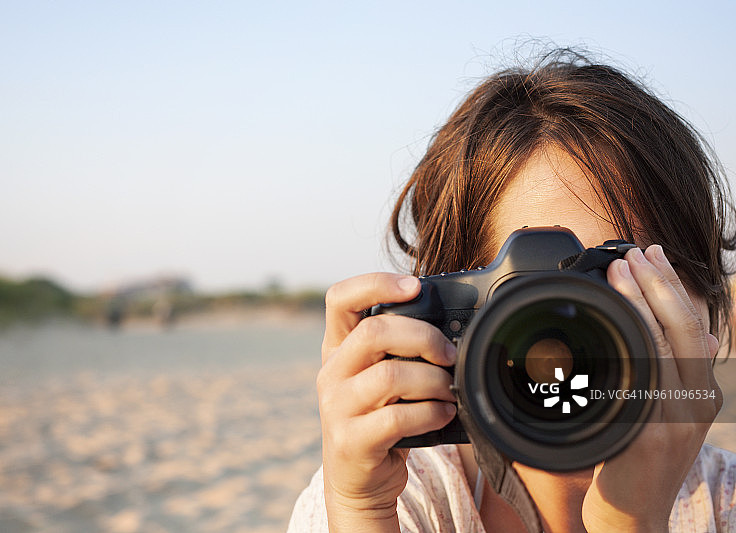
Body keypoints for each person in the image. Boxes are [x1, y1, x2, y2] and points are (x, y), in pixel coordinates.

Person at [288, 49, 736, 532]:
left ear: (704, 303)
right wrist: (362, 512)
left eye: (628, 283)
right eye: (539, 302)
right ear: (460, 327)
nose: (581, 343)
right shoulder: (396, 500)